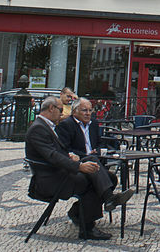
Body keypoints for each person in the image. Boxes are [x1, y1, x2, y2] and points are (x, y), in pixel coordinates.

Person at [25, 97, 133, 240]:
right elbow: (52, 156)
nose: (62, 114)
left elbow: (55, 153)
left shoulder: (45, 126)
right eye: (61, 110)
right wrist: (79, 166)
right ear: (51, 108)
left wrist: (70, 156)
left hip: (60, 172)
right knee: (92, 182)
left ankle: (92, 206)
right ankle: (87, 228)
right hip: (51, 180)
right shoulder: (38, 128)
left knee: (107, 175)